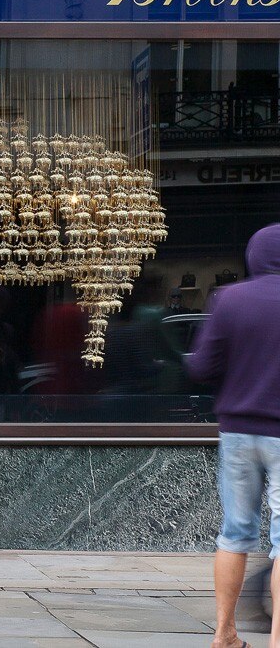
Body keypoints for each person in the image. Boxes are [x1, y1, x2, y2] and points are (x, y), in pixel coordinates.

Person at [186, 222, 280, 648]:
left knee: (235, 533)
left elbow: (202, 368)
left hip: (238, 433)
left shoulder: (230, 299)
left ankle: (224, 634)